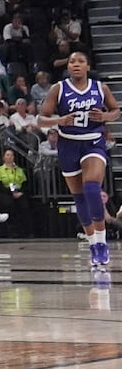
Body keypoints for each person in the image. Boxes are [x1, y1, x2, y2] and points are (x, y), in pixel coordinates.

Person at [36, 49, 119, 268]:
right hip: (68, 145)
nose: (76, 64)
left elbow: (116, 111)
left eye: (80, 61)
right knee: (80, 197)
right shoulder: (58, 89)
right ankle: (92, 243)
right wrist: (60, 120)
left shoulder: (100, 88)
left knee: (92, 188)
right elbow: (41, 119)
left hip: (93, 142)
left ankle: (101, 243)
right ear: (68, 67)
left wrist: (105, 116)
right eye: (72, 61)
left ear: (88, 66)